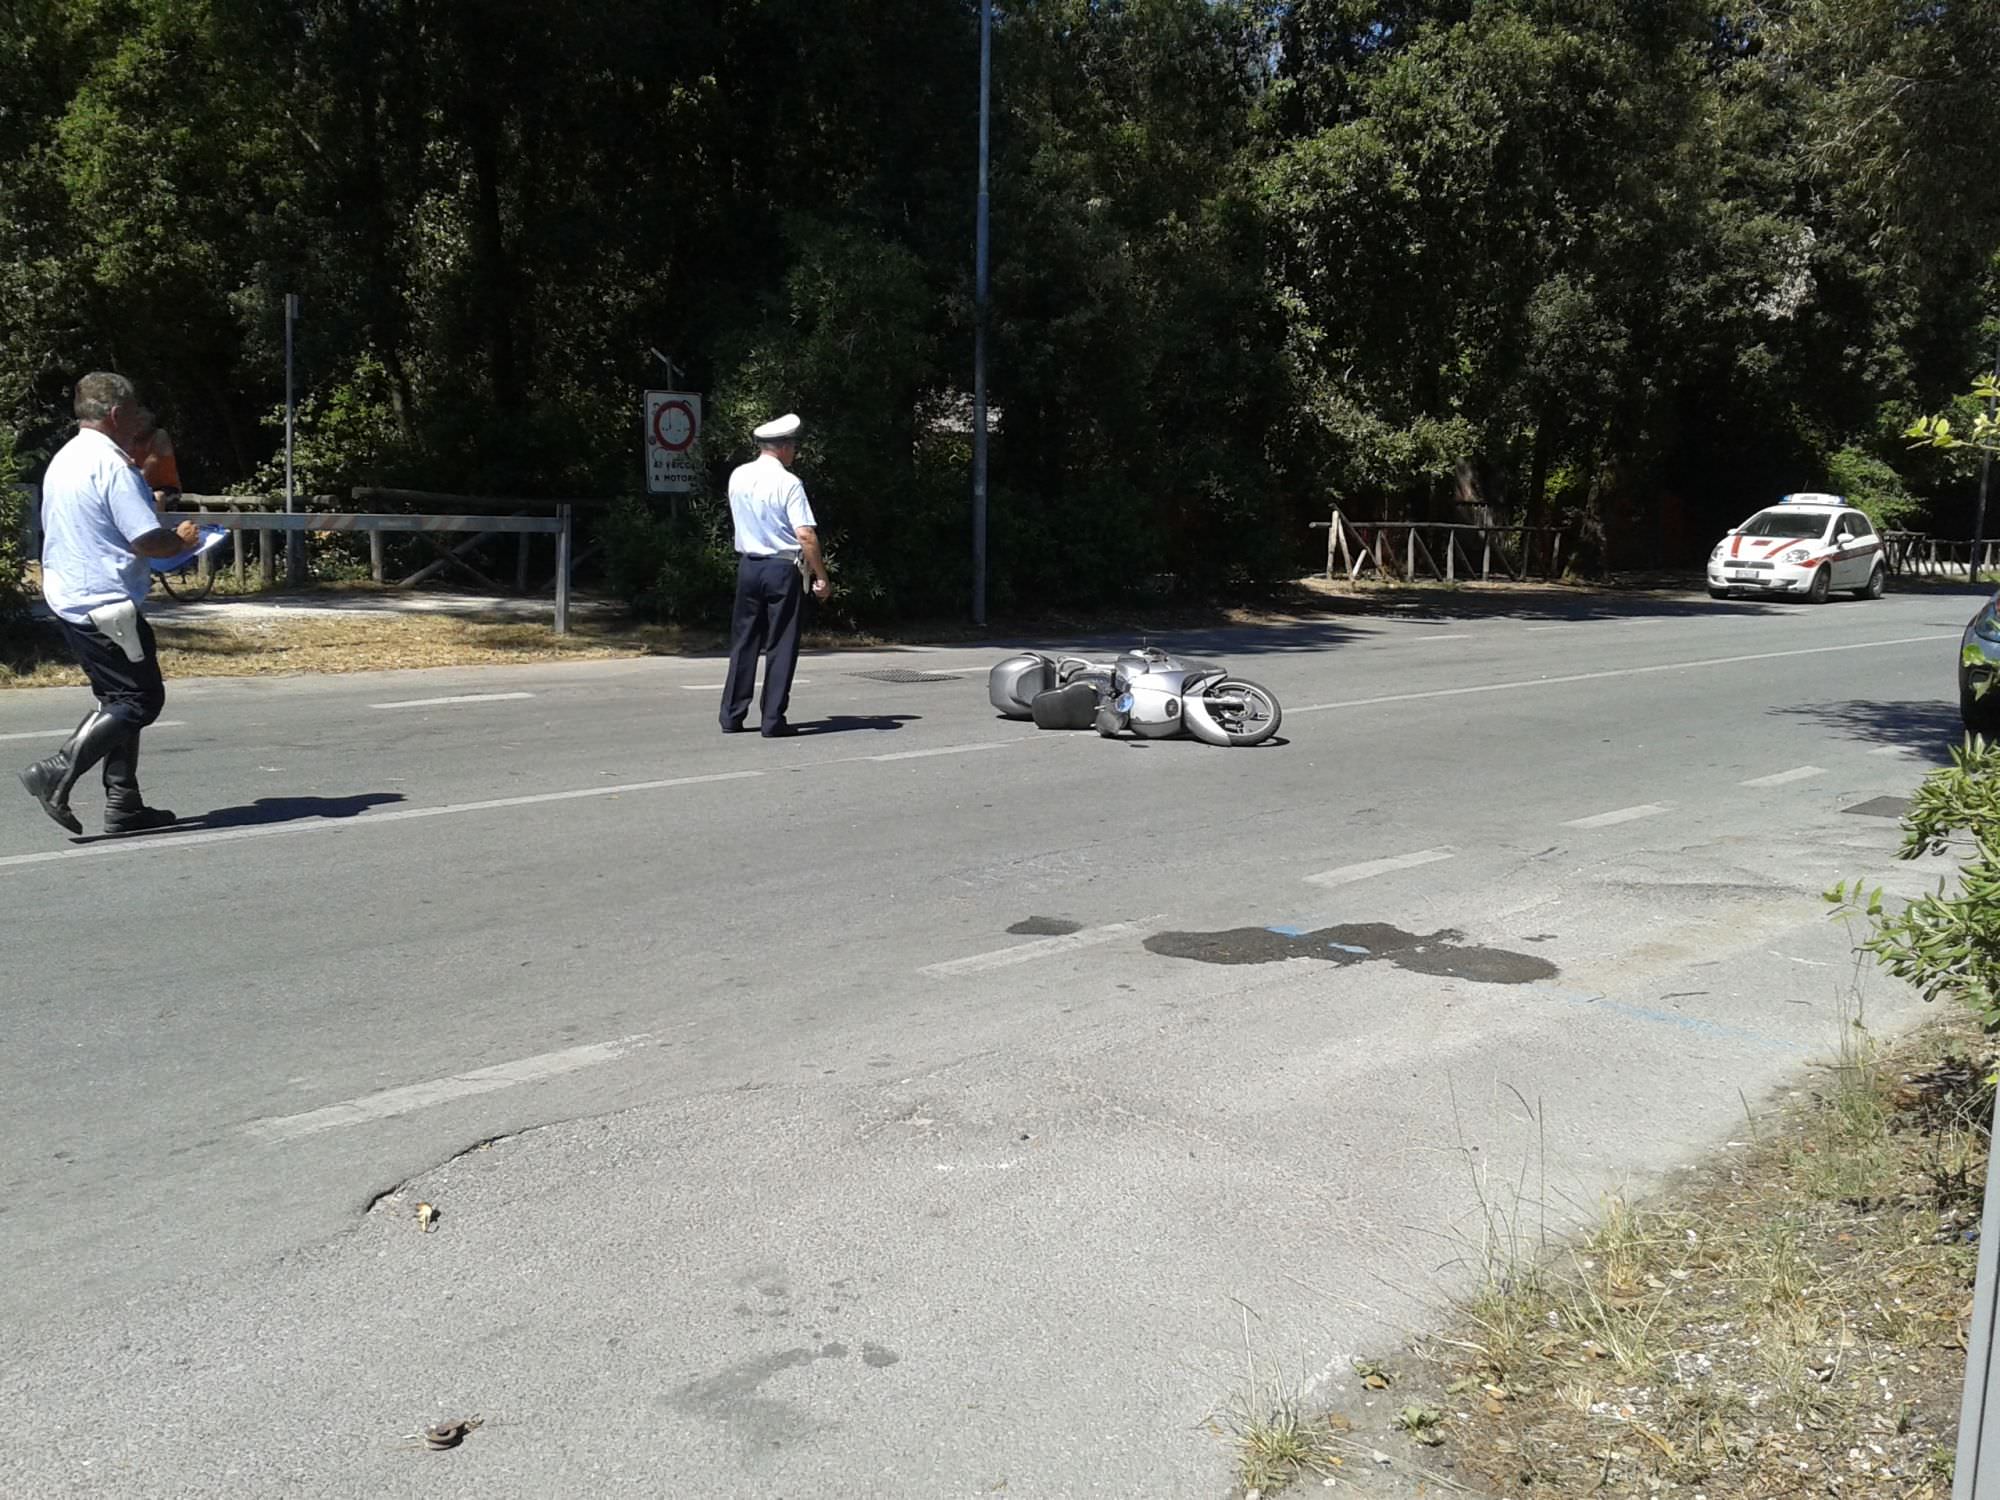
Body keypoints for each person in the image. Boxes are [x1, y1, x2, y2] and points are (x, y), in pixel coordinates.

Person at [17, 372, 201, 835]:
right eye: (135, 411)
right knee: (140, 700)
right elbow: (147, 540)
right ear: (117, 414)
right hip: (106, 603)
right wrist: (181, 542)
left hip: (71, 597)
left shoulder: (65, 458)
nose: (139, 420)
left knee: (116, 700)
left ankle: (124, 801)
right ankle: (57, 770)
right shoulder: (113, 466)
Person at [718, 412, 832, 738]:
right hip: (782, 568)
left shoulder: (738, 475)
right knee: (781, 643)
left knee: (744, 642)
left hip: (749, 565)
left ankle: (732, 715)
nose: (794, 451)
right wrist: (821, 576)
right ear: (782, 447)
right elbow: (805, 535)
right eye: (793, 445)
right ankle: (772, 720)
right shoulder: (788, 483)